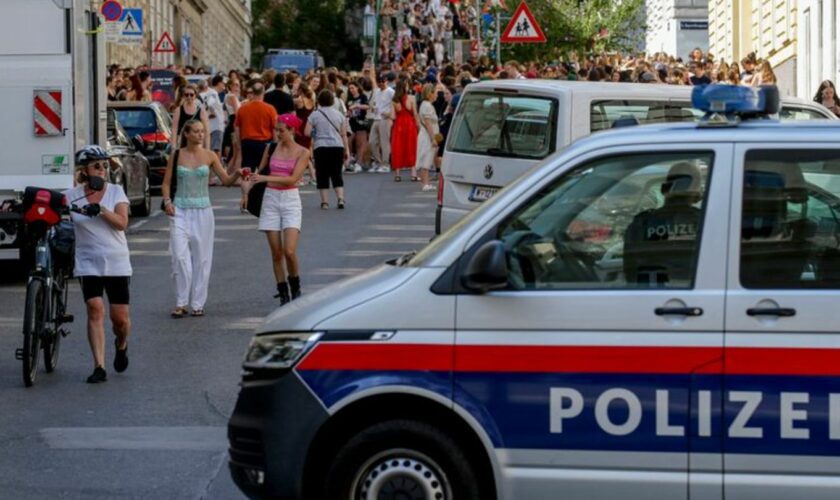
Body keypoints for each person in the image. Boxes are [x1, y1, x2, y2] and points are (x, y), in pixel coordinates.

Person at [162, 120, 242, 318]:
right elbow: (166, 183)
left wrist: (237, 174)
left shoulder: (210, 155)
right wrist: (167, 201)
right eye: (196, 131)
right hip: (179, 209)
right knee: (179, 256)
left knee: (202, 258)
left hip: (203, 211)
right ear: (186, 133)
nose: (200, 134)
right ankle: (181, 302)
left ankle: (197, 303)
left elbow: (225, 180)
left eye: (202, 131)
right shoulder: (177, 155)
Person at [66, 145, 132, 384]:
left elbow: (122, 223)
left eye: (105, 165)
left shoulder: (116, 192)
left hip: (116, 261)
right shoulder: (72, 195)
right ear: (84, 170)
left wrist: (102, 210)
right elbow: (57, 209)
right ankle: (99, 366)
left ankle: (122, 344)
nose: (102, 169)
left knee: (120, 320)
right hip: (87, 262)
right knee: (95, 309)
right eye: (96, 165)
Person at [252, 113, 311, 304]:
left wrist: (265, 178)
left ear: (292, 131)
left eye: (281, 130)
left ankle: (296, 286)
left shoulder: (303, 152)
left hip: (290, 199)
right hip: (270, 198)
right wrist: (249, 178)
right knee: (276, 252)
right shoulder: (270, 148)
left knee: (290, 251)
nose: (277, 133)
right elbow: (259, 172)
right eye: (276, 130)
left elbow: (293, 179)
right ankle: (283, 292)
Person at [235, 82, 278, 210]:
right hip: (265, 144)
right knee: (263, 172)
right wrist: (274, 146)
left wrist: (239, 144)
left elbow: (237, 129)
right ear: (263, 92)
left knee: (246, 173)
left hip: (247, 142)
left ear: (252, 93)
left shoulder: (243, 109)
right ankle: (260, 200)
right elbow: (275, 129)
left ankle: (245, 198)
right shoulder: (270, 109)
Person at [305, 90, 350, 209]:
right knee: (336, 173)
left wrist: (316, 134)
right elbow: (344, 134)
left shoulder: (314, 115)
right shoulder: (339, 115)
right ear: (332, 101)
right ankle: (340, 198)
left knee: (322, 174)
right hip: (337, 146)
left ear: (319, 100)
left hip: (321, 146)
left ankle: (325, 202)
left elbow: (306, 132)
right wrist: (347, 150)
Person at [389, 78, 419, 182]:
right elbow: (415, 113)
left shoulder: (394, 100)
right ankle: (413, 173)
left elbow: (392, 116)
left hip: (399, 125)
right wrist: (418, 125)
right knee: (411, 147)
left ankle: (397, 174)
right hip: (410, 124)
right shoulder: (412, 98)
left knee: (398, 148)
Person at [368, 72, 396, 173]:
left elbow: (396, 104)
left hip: (385, 118)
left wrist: (390, 114)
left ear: (386, 81)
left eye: (382, 81)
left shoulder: (391, 91)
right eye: (379, 82)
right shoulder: (377, 91)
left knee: (385, 142)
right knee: (372, 141)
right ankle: (378, 161)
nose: (381, 84)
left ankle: (386, 163)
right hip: (376, 117)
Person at [170, 84, 210, 150]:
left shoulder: (201, 111)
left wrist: (207, 148)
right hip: (182, 144)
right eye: (186, 94)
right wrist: (173, 145)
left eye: (191, 94)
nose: (189, 97)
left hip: (197, 145)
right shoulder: (178, 110)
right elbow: (174, 129)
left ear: (195, 95)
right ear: (183, 96)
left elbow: (206, 131)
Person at [415, 83, 439, 191]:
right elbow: (428, 123)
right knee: (426, 158)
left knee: (426, 157)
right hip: (427, 136)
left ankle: (426, 183)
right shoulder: (427, 106)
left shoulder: (425, 105)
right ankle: (425, 184)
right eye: (435, 93)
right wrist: (433, 138)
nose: (437, 95)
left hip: (426, 135)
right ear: (430, 94)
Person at [346, 81, 371, 173]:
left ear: (357, 88)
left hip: (361, 121)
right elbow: (348, 109)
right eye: (350, 88)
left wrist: (357, 106)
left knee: (361, 142)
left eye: (353, 88)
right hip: (352, 122)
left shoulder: (362, 97)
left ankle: (359, 162)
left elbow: (367, 106)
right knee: (350, 141)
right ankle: (352, 159)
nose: (351, 90)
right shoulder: (349, 98)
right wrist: (348, 114)